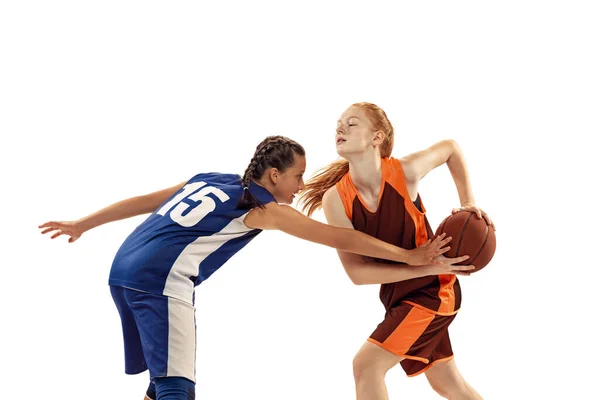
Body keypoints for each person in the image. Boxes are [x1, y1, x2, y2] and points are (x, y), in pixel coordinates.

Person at [38, 135, 461, 400]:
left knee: (158, 378)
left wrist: (84, 223)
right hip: (160, 284)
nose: (300, 186)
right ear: (273, 175)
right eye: (296, 177)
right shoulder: (264, 207)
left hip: (122, 272)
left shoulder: (210, 177)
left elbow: (146, 201)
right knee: (177, 388)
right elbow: (341, 238)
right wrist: (409, 256)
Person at [299, 103, 494, 400]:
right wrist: (417, 263)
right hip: (400, 297)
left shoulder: (404, 172)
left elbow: (451, 149)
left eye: (352, 124)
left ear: (376, 137)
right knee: (449, 384)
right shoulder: (335, 200)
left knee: (367, 366)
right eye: (339, 123)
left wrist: (468, 202)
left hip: (434, 293)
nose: (340, 128)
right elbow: (357, 273)